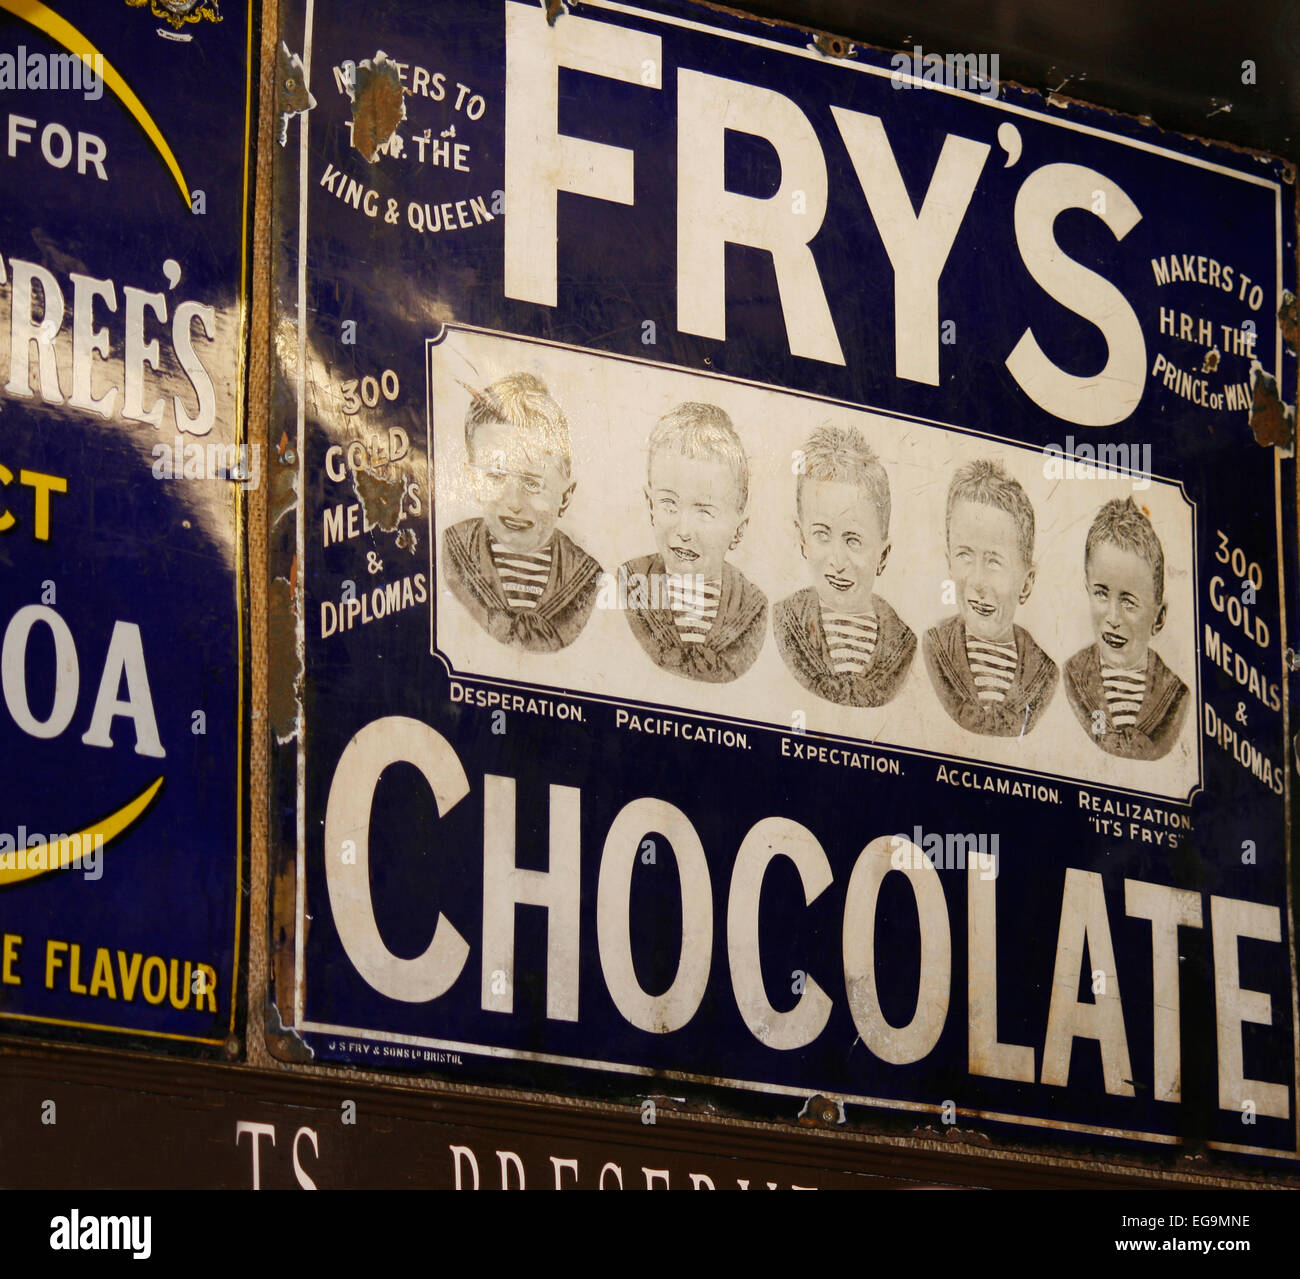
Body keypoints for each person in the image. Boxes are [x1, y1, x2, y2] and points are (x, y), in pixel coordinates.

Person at [442, 372, 601, 652]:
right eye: (496, 476)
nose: (513, 502)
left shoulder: (585, 579)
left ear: (565, 496)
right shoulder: (453, 551)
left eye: (531, 482)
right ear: (473, 480)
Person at [619, 402, 766, 682]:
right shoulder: (630, 581)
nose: (684, 530)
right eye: (669, 504)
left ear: (738, 529)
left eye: (704, 512)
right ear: (650, 505)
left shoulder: (751, 607)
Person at [772, 424, 914, 706]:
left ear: (882, 555)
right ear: (802, 538)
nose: (837, 561)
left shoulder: (902, 644)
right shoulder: (784, 620)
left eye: (853, 540)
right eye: (822, 535)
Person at [923, 458, 1056, 735]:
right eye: (965, 556)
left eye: (995, 562)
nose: (978, 582)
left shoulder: (1045, 675)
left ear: (1027, 583)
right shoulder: (933, 648)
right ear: (949, 562)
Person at [1063, 497, 1189, 760]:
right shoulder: (1073, 676)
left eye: (1129, 602)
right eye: (1101, 593)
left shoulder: (1175, 697)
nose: (1113, 617)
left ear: (1159, 618)